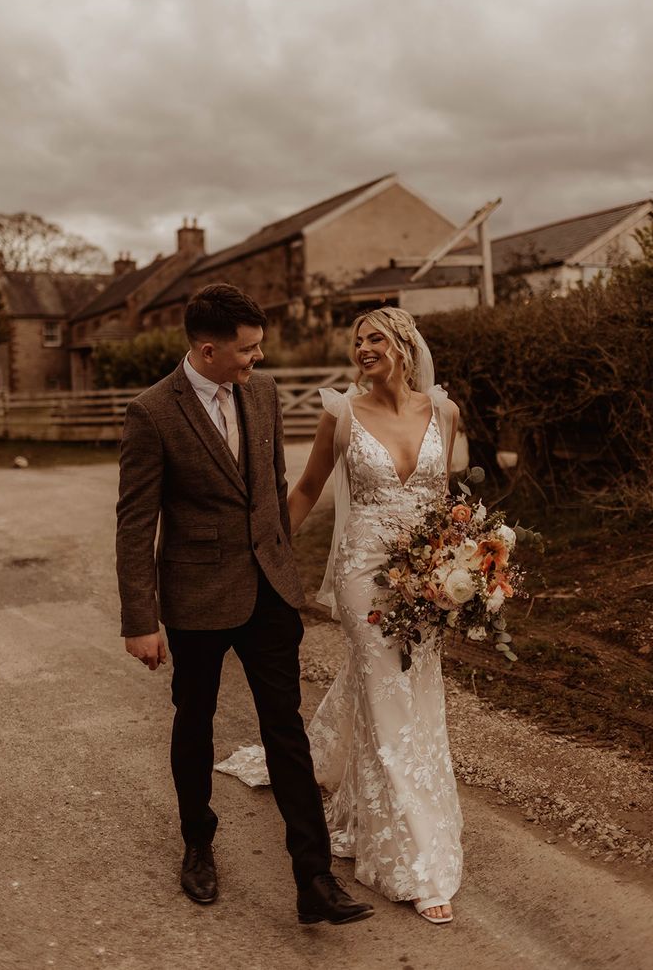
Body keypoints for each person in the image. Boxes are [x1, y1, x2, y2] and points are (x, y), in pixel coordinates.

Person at [115, 283, 374, 927]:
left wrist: (288, 568)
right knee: (194, 723)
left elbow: (276, 488)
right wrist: (140, 621)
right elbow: (134, 522)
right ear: (207, 350)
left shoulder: (260, 393)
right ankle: (198, 842)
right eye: (248, 350)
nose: (257, 360)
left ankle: (313, 880)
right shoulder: (152, 413)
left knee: (285, 729)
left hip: (269, 593)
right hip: (197, 597)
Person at [217, 306, 463, 924]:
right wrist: (267, 559)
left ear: (404, 344)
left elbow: (447, 501)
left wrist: (464, 566)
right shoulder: (342, 415)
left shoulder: (446, 412)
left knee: (417, 693)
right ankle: (414, 861)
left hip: (428, 580)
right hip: (363, 576)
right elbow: (304, 490)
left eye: (374, 338)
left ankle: (350, 789)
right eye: (357, 341)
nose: (362, 349)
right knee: (387, 694)